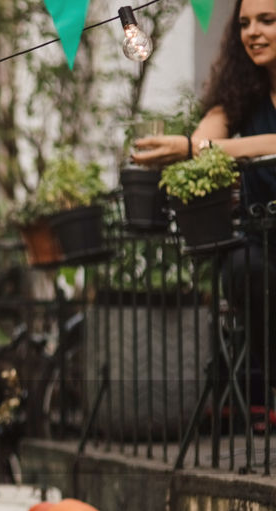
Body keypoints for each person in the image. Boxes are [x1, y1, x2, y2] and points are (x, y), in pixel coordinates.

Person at [133, 0, 276, 407]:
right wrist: (177, 148)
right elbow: (201, 143)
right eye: (245, 24)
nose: (252, 32)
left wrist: (197, 147)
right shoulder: (238, 95)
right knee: (242, 266)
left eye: (267, 20)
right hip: (263, 242)